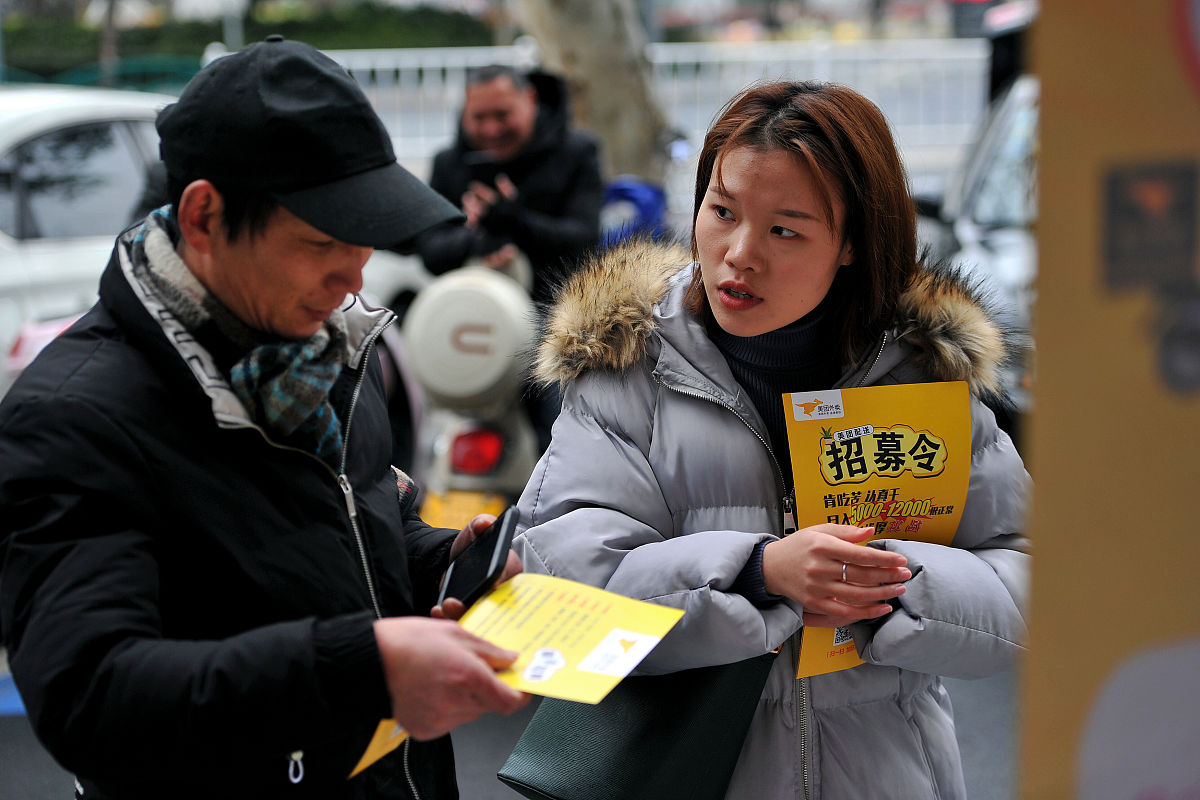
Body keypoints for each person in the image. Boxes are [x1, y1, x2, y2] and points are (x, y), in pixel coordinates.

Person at [0, 37, 528, 799]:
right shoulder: (74, 418)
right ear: (205, 216)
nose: (353, 278)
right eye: (322, 242)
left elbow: (341, 531)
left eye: (366, 241)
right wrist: (362, 667)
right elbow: (91, 694)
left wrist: (443, 564)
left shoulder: (327, 355)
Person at [513, 81, 1031, 799]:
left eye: (785, 229)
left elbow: (1022, 578)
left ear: (852, 244)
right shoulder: (624, 370)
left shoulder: (920, 380)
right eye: (722, 212)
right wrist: (757, 572)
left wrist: (889, 580)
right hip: (685, 774)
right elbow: (560, 595)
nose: (739, 255)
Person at [415, 64, 605, 307]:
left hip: (556, 312)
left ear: (530, 99)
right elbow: (430, 253)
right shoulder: (448, 163)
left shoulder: (578, 153)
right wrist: (477, 239)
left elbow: (583, 243)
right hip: (469, 311)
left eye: (502, 115)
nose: (491, 129)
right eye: (479, 117)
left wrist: (515, 223)